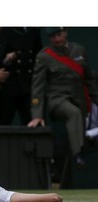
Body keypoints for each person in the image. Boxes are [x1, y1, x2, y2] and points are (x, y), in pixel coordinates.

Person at [27, 27, 98, 167]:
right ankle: (78, 154)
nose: (57, 39)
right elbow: (38, 87)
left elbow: (88, 79)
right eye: (53, 36)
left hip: (80, 99)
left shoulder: (79, 50)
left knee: (78, 114)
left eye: (59, 34)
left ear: (65, 33)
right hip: (57, 100)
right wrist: (37, 114)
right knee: (74, 112)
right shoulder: (44, 56)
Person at [0, 27, 43, 125]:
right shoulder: (5, 30)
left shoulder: (34, 30)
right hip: (10, 84)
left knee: (30, 122)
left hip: (29, 84)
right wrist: (6, 60)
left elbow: (38, 55)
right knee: (4, 122)